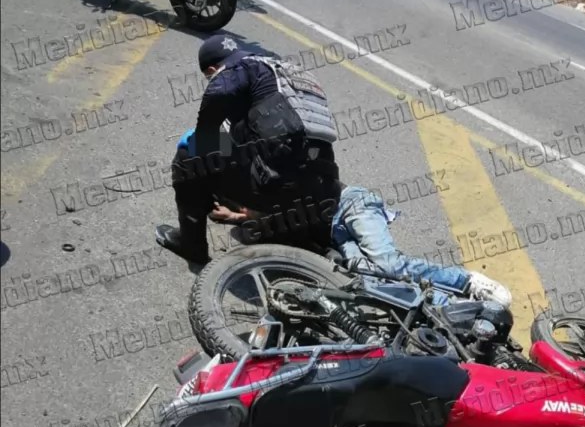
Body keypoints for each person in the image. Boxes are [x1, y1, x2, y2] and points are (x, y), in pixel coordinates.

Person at [155, 35, 513, 307]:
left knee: (189, 153)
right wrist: (243, 215)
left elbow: (210, 126)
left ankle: (192, 243)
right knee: (370, 276)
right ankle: (456, 308)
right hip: (317, 192)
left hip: (331, 200)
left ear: (211, 69)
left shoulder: (235, 70)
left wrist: (205, 141)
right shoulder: (284, 74)